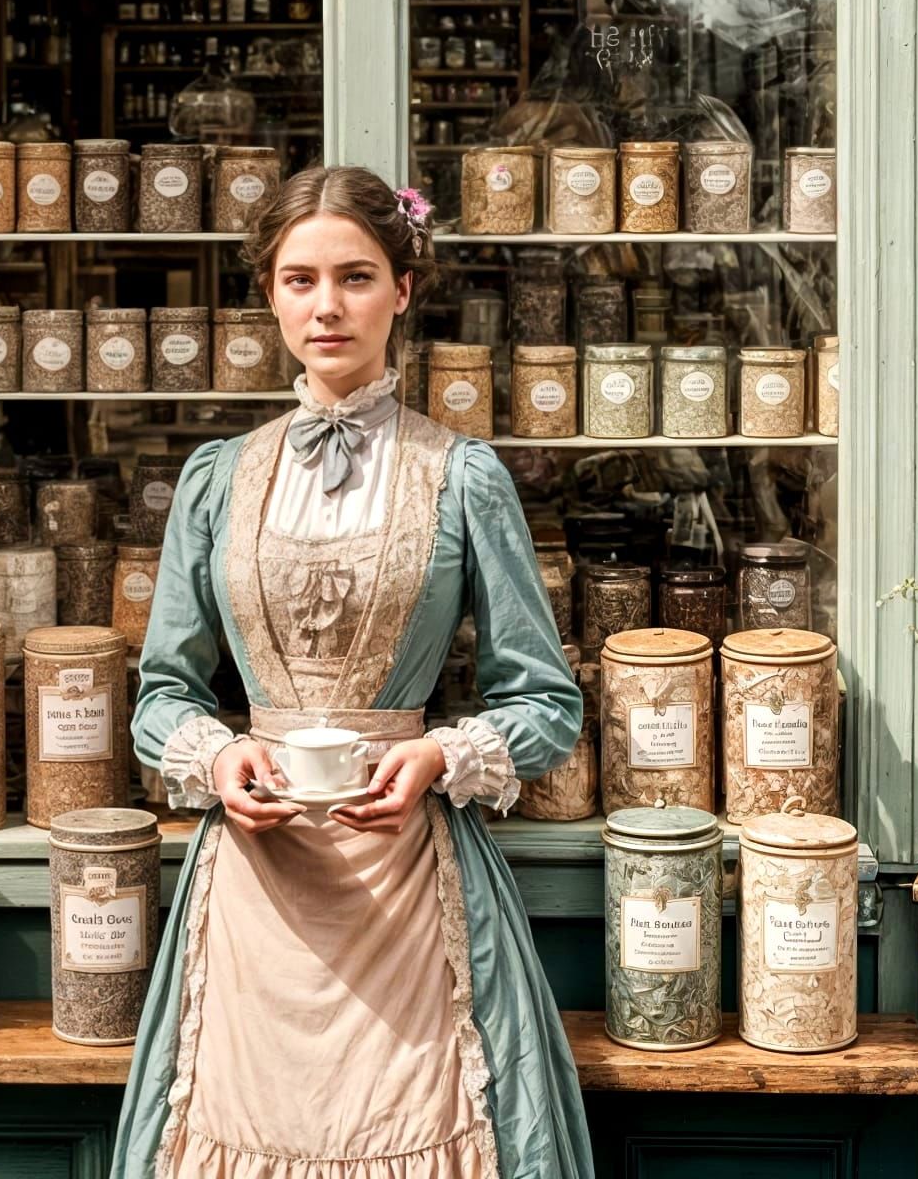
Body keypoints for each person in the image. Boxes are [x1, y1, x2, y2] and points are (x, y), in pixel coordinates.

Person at [114, 166, 593, 1178]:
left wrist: (435, 755)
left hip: (409, 881)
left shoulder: (465, 477)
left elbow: (547, 702)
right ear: (270, 296)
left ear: (404, 290)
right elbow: (162, 696)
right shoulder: (218, 477)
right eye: (299, 280)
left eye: (356, 277)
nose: (326, 305)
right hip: (256, 885)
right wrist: (218, 760)